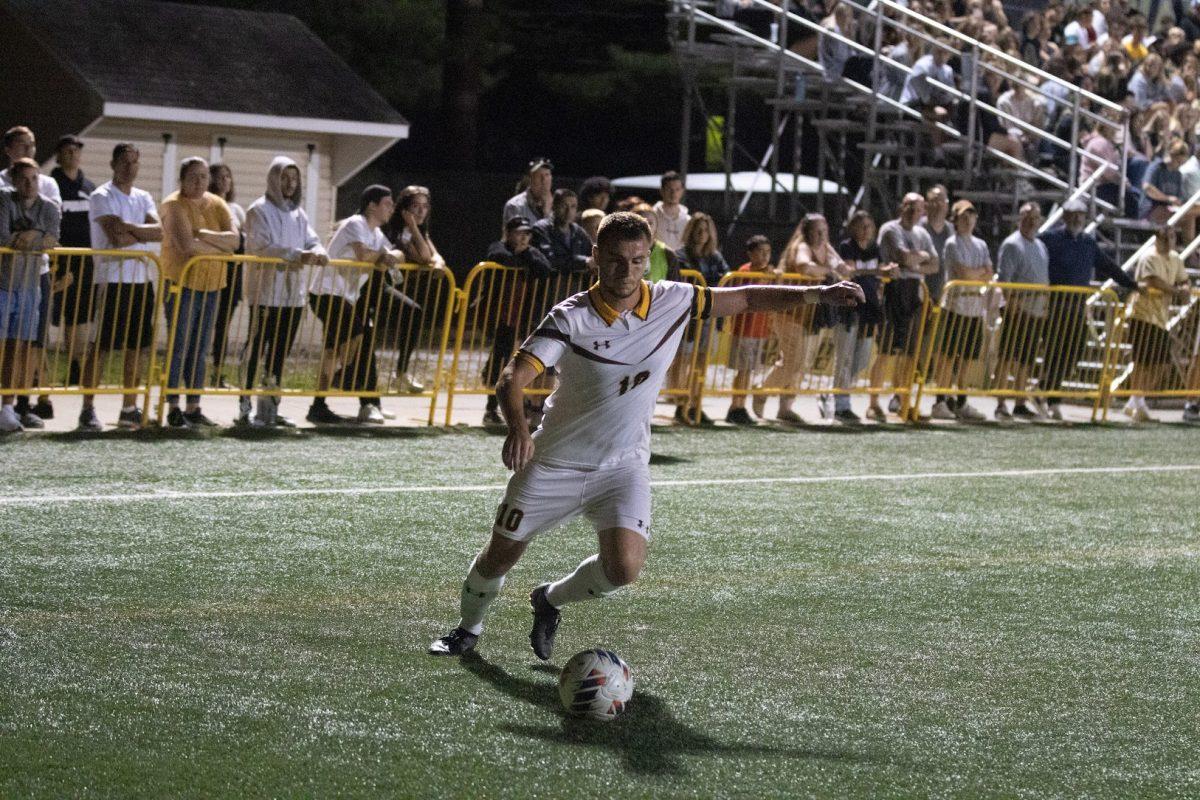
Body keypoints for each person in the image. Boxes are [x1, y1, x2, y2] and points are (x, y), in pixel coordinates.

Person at [426, 211, 865, 658]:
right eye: (616, 259)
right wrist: (518, 430)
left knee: (624, 569)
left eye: (638, 260)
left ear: (648, 259)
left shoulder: (673, 300)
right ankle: (468, 629)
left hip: (623, 465)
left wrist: (817, 293)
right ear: (596, 257)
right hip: (555, 461)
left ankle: (549, 599)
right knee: (501, 555)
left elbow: (748, 298)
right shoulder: (571, 318)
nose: (628, 271)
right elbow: (511, 379)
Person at [240, 156, 327, 427]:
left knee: (279, 351)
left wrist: (319, 251)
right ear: (273, 179)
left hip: (293, 295)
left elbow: (312, 239)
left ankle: (270, 408)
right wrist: (295, 254)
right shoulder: (258, 210)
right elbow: (261, 246)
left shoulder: (298, 213)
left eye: (294, 179)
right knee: (256, 348)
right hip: (266, 292)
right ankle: (244, 405)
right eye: (284, 178)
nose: (289, 184)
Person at [81, 143, 162, 432]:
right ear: (113, 163)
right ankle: (87, 408)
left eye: (135, 162)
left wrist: (133, 230)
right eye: (125, 162)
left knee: (136, 346)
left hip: (140, 279)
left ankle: (129, 406)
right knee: (100, 346)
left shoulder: (144, 196)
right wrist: (140, 233)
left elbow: (160, 230)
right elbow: (115, 236)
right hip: (111, 279)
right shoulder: (102, 195)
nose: (130, 168)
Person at [307, 185, 400, 425]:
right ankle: (345, 377)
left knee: (330, 351)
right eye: (387, 203)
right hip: (327, 292)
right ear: (372, 205)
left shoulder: (377, 234)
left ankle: (318, 405)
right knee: (358, 332)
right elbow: (364, 255)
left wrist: (390, 256)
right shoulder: (356, 223)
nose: (391, 208)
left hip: (345, 296)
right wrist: (382, 256)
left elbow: (395, 254)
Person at [159, 157, 239, 428]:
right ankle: (172, 404)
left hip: (212, 284)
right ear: (182, 178)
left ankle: (193, 405)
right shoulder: (173, 205)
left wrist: (204, 234)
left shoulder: (217, 204)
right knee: (179, 345)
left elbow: (235, 241)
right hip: (182, 283)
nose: (199, 182)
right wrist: (220, 245)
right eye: (193, 176)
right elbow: (186, 246)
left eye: (204, 176)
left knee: (200, 347)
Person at [1039, 197, 1135, 420]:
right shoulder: (1050, 239)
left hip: (1077, 306)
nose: (1076, 219)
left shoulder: (1087, 243)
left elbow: (1107, 266)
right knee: (1054, 351)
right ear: (1064, 216)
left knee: (1074, 350)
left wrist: (1130, 283)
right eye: (1072, 215)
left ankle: (1049, 391)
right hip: (1056, 304)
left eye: (1080, 215)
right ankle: (1048, 396)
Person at [754, 213, 843, 424]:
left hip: (810, 315)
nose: (821, 235)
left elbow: (842, 267)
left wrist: (839, 270)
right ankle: (762, 390)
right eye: (817, 231)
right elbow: (804, 267)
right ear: (807, 231)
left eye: (824, 230)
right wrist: (831, 271)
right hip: (789, 312)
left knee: (802, 362)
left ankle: (786, 407)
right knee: (795, 360)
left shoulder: (826, 247)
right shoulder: (802, 246)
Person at [1, 127, 61, 423]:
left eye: (33, 145)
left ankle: (12, 407)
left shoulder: (47, 196)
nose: (30, 184)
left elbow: (53, 237)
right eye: (23, 145)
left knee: (23, 344)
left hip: (32, 278)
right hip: (3, 279)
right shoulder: (3, 196)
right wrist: (34, 237)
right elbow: (2, 237)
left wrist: (31, 235)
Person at [872, 193, 939, 419]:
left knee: (910, 352)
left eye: (918, 208)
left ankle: (902, 400)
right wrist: (922, 258)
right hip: (893, 292)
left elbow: (935, 265)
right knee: (886, 350)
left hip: (915, 293)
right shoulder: (891, 229)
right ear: (902, 206)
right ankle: (874, 402)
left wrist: (915, 261)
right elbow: (904, 256)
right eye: (909, 206)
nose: (913, 211)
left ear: (923, 211)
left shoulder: (922, 233)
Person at [482, 216, 552, 426]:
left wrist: (525, 256)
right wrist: (524, 258)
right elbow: (500, 257)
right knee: (499, 361)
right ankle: (490, 408)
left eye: (527, 234)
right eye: (519, 233)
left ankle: (517, 406)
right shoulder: (498, 247)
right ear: (508, 233)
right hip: (502, 316)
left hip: (524, 316)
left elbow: (545, 268)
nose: (524, 238)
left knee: (519, 364)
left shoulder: (531, 252)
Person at [931, 200, 993, 422]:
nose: (967, 220)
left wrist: (975, 274)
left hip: (975, 306)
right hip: (955, 304)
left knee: (968, 357)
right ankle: (941, 399)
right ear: (955, 220)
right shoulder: (952, 243)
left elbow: (989, 272)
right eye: (963, 216)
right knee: (948, 356)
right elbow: (963, 273)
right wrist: (978, 273)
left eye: (971, 216)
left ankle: (961, 399)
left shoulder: (981, 245)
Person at [1123, 226, 1189, 422]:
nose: (1170, 242)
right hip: (1142, 314)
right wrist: (1177, 292)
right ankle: (1137, 401)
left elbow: (1184, 279)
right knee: (1142, 361)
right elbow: (1153, 281)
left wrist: (1185, 288)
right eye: (1166, 238)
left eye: (1173, 238)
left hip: (1160, 317)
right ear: (1158, 240)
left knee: (1161, 363)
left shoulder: (1175, 258)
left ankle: (1135, 400)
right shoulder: (1149, 257)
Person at [835, 211, 895, 423]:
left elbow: (877, 273)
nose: (866, 230)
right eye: (861, 226)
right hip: (850, 307)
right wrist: (878, 271)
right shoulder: (847, 246)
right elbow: (851, 271)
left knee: (861, 359)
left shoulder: (875, 249)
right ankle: (841, 404)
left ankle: (837, 392)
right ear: (853, 227)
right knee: (845, 356)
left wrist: (884, 272)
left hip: (870, 307)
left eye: (869, 226)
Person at [993, 202, 1050, 421]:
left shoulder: (1040, 246)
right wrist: (1011, 302)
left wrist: (1044, 304)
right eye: (1026, 217)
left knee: (1026, 359)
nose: (1030, 221)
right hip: (1017, 311)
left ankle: (1019, 402)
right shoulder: (1012, 245)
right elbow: (1004, 279)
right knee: (1007, 357)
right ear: (1019, 219)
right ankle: (1000, 402)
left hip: (1035, 311)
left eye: (1034, 217)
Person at [672, 212, 729, 423]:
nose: (701, 234)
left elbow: (726, 278)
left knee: (702, 360)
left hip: (708, 315)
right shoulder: (680, 255)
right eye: (697, 229)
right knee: (683, 359)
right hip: (687, 316)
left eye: (705, 230)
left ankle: (696, 403)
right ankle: (680, 403)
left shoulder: (715, 257)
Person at [49, 134, 95, 392]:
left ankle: (76, 366)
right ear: (58, 155)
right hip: (58, 259)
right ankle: (38, 373)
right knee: (52, 312)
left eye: (76, 150)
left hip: (84, 260)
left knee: (79, 316)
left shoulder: (89, 188)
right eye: (67, 150)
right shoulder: (52, 185)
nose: (72, 154)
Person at [725, 235, 773, 425]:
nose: (764, 256)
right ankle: (736, 405)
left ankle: (740, 405)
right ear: (750, 254)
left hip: (758, 329)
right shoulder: (745, 272)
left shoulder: (767, 272)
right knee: (743, 370)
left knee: (748, 370)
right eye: (760, 252)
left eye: (767, 252)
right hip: (745, 328)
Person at [207, 164, 246, 388]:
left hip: (233, 272)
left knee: (224, 324)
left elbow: (242, 240)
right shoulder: (208, 205)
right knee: (205, 323)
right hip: (211, 268)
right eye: (220, 177)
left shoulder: (236, 209)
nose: (225, 181)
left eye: (228, 177)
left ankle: (218, 373)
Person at [899, 44, 957, 165]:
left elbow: (950, 93)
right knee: (938, 115)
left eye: (945, 53)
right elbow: (922, 94)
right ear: (933, 52)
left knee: (951, 111)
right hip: (912, 104)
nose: (941, 56)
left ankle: (943, 153)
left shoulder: (947, 70)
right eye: (939, 52)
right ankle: (939, 153)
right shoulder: (922, 66)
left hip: (936, 104)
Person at [531, 189, 592, 275]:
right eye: (564, 206)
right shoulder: (541, 229)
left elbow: (592, 254)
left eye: (573, 206)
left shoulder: (578, 231)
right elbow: (549, 259)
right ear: (554, 206)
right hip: (548, 285)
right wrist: (583, 261)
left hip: (574, 285)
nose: (569, 211)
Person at [631, 203, 681, 283]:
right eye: (641, 222)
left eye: (650, 223)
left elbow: (675, 290)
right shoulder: (623, 252)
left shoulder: (668, 254)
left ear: (656, 226)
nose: (646, 226)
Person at [503, 158, 553, 226]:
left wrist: (547, 212)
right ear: (530, 179)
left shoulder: (559, 206)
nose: (544, 180)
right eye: (539, 176)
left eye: (547, 175)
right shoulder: (515, 205)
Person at [651, 171, 690, 252]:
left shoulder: (688, 220)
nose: (673, 193)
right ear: (661, 190)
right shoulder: (652, 215)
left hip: (680, 262)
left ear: (682, 191)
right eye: (669, 189)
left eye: (677, 189)